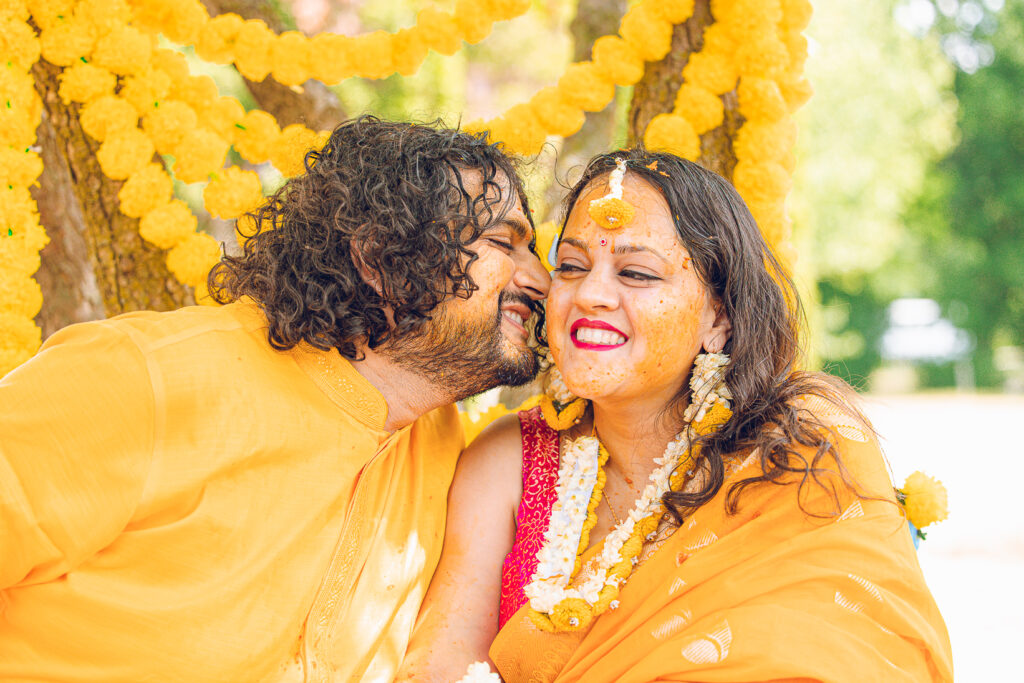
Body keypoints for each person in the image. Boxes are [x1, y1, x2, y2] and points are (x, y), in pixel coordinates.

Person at [0, 116, 549, 682]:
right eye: (505, 243)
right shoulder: (146, 377)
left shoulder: (453, 454)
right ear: (381, 257)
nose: (542, 281)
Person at [399, 150, 953, 682]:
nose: (591, 293)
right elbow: (440, 664)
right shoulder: (510, 458)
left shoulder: (797, 450)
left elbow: (847, 654)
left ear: (720, 317)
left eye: (636, 274)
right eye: (570, 266)